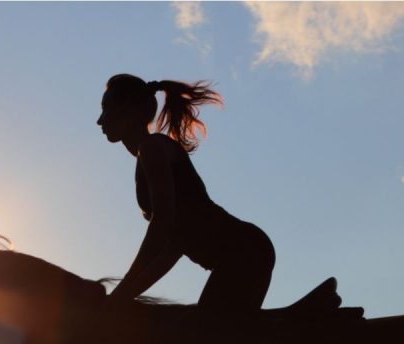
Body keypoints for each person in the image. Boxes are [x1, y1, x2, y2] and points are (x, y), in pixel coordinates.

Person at [98, 74, 275, 311]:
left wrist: (122, 292)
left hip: (244, 251)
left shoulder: (153, 149)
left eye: (107, 109)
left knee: (207, 337)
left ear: (129, 110)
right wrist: (124, 295)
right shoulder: (149, 153)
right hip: (246, 250)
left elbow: (162, 224)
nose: (100, 121)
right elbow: (171, 247)